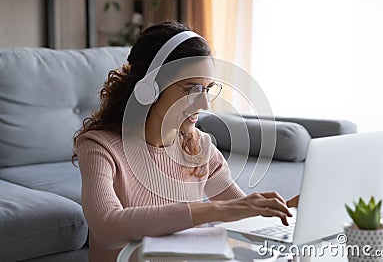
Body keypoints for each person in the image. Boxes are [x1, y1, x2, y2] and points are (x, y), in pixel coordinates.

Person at [73, 21, 298, 262]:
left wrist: (286, 209)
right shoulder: (99, 146)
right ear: (150, 89)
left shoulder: (200, 146)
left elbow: (242, 213)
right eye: (191, 90)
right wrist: (218, 210)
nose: (204, 105)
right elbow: (107, 228)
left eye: (207, 89)